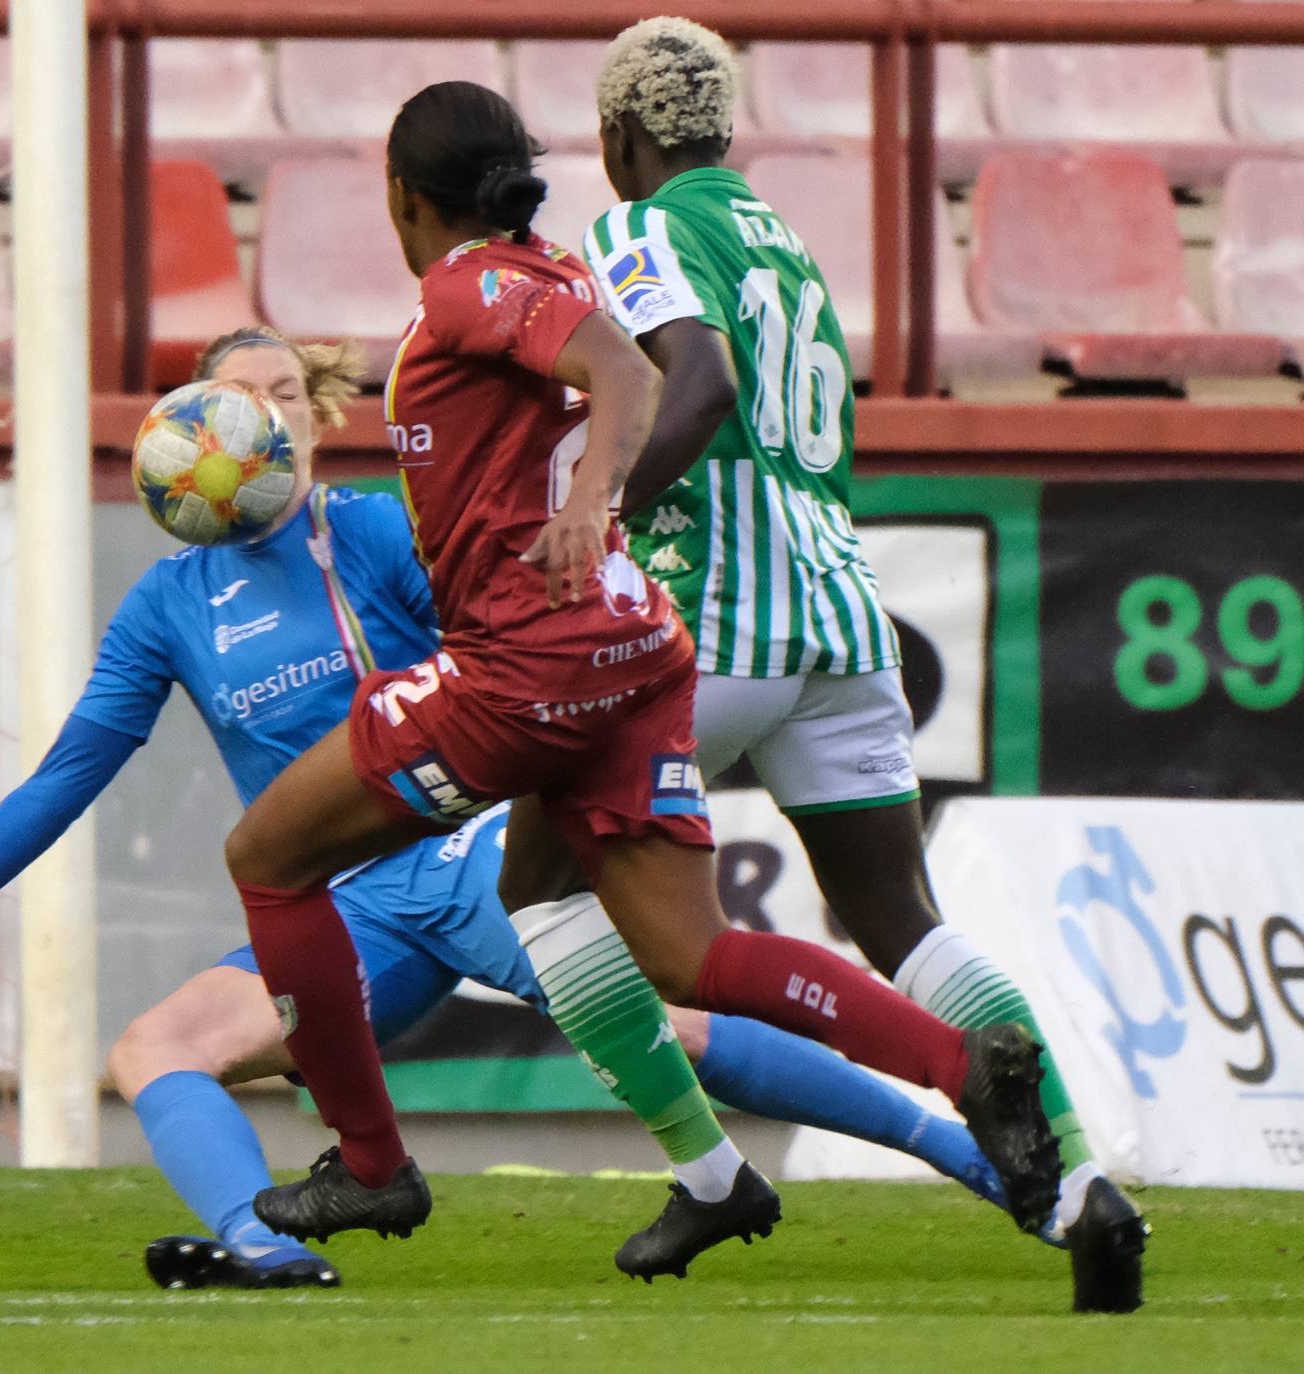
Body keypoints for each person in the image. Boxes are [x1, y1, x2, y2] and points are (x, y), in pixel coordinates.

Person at [0, 325, 1006, 1293]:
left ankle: (976, 1150)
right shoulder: (169, 606)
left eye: (287, 399)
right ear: (192, 429)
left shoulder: (379, 535)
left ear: (317, 418)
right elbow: (65, 780)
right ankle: (267, 1252)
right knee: (154, 1048)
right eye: (238, 404)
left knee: (667, 1025)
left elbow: (522, 655)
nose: (264, 423)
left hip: (464, 853)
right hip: (349, 917)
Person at [218, 80, 1059, 1279]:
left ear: (400, 198)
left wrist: (587, 498)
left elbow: (635, 376)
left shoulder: (469, 281)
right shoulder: (550, 265)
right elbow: (609, 369)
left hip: (525, 671)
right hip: (634, 653)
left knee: (268, 857)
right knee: (686, 954)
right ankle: (959, 1067)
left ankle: (367, 1165)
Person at [562, 16, 1148, 1313]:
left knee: (541, 881)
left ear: (618, 140)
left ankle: (706, 1171)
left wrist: (595, 514)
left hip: (713, 617)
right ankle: (1076, 1187)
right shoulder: (784, 240)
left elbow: (699, 384)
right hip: (840, 608)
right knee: (903, 922)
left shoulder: (636, 232)